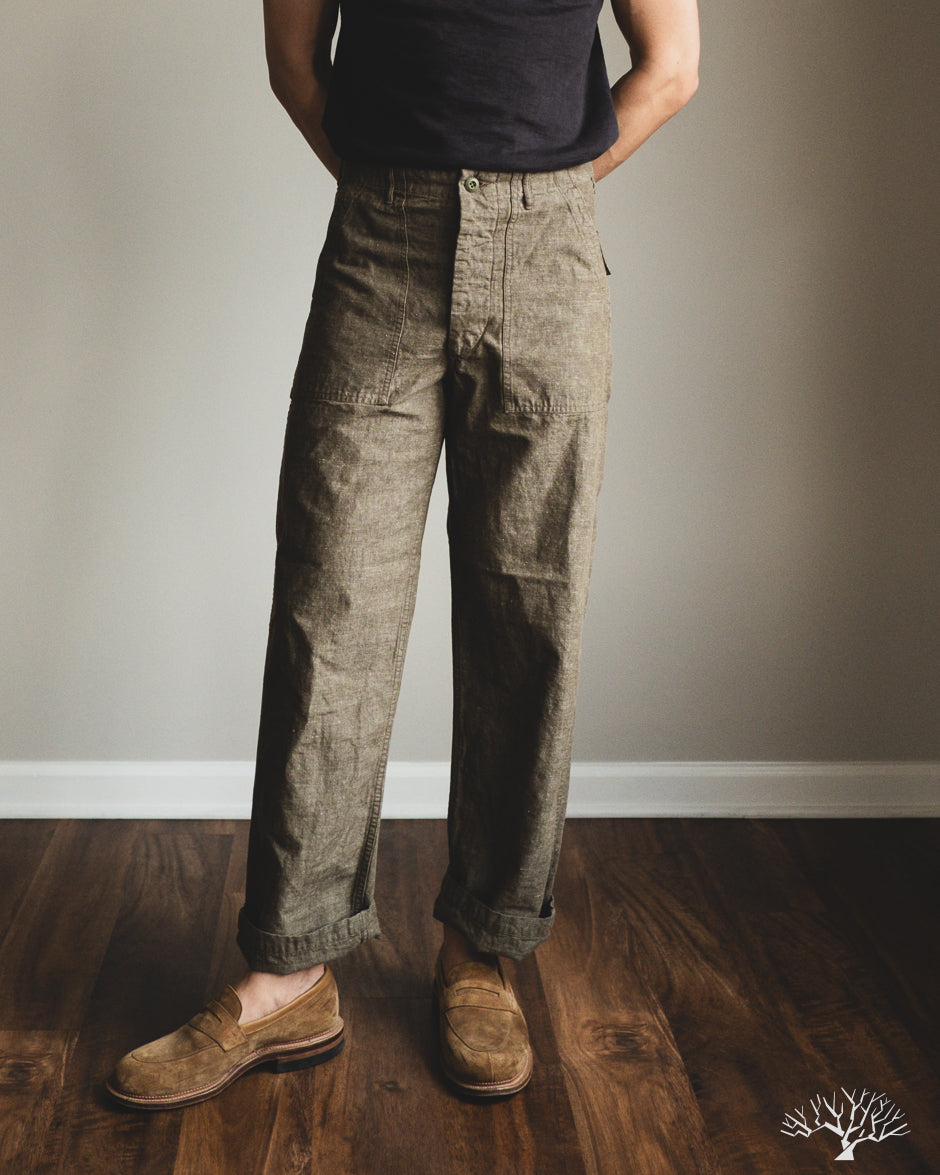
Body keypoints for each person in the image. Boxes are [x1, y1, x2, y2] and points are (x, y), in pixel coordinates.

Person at [107, 0, 699, 1109]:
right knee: (330, 608)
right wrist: (401, 194)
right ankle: (288, 971)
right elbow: (295, 64)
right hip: (380, 245)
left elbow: (671, 68)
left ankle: (483, 948)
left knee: (529, 617)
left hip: (549, 252)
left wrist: (539, 196)